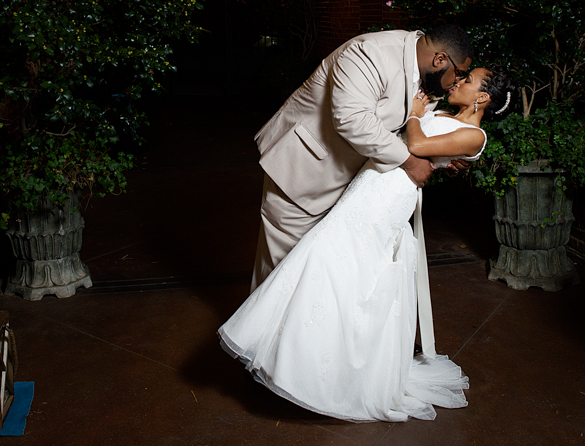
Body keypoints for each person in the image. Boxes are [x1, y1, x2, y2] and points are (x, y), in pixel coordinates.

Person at [219, 65, 520, 422]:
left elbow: (417, 144)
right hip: (369, 184)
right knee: (327, 261)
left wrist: (413, 116)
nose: (458, 81)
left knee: (335, 264)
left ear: (482, 98)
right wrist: (418, 118)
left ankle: (323, 373)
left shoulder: (474, 136)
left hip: (389, 198)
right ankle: (303, 361)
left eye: (468, 81)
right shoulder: (442, 111)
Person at [251, 25, 474, 290]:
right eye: (458, 73)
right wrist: (410, 162)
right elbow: (353, 120)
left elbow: (411, 132)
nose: (456, 82)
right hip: (303, 174)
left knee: (317, 282)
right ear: (440, 59)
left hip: (348, 189)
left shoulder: (429, 79)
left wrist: (443, 157)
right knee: (281, 279)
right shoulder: (371, 53)